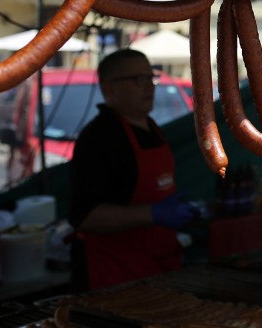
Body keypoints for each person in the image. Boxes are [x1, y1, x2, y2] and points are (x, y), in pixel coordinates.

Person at [69, 49, 198, 291]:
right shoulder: (99, 138)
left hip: (159, 268)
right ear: (110, 89)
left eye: (150, 78)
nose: (148, 86)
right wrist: (154, 214)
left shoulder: (151, 127)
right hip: (116, 275)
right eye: (137, 80)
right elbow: (86, 217)